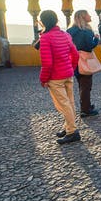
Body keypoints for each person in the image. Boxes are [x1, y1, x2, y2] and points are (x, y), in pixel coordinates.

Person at [38, 10, 81, 144]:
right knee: (70, 102)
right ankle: (68, 126)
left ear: (43, 22)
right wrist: (71, 68)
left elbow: (47, 63)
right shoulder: (65, 35)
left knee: (63, 104)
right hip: (68, 74)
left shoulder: (45, 37)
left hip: (56, 77)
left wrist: (43, 79)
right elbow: (75, 54)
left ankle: (72, 132)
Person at [67, 10, 100, 118]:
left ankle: (86, 106)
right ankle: (85, 110)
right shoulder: (87, 31)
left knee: (82, 84)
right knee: (86, 86)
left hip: (73, 61)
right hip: (84, 61)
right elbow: (89, 47)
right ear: (83, 17)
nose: (90, 16)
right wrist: (96, 39)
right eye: (88, 14)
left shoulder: (70, 30)